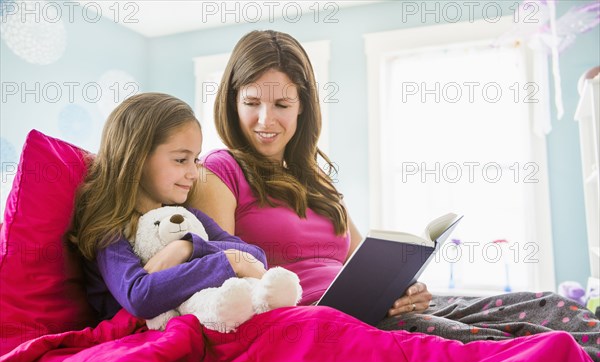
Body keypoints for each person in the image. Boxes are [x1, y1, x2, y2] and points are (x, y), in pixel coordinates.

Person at [191, 30, 432, 317]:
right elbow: (215, 281)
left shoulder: (315, 176)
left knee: (497, 314)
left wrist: (401, 291)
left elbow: (360, 260)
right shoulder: (219, 170)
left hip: (362, 315)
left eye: (281, 104)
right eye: (252, 102)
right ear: (233, 102)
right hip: (302, 323)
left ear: (302, 105)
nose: (265, 119)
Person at [68, 92, 267, 321]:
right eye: (181, 160)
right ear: (137, 158)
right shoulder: (110, 228)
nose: (193, 173)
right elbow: (140, 296)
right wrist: (228, 261)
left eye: (196, 160)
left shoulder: (186, 216)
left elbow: (256, 257)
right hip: (137, 339)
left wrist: (189, 248)